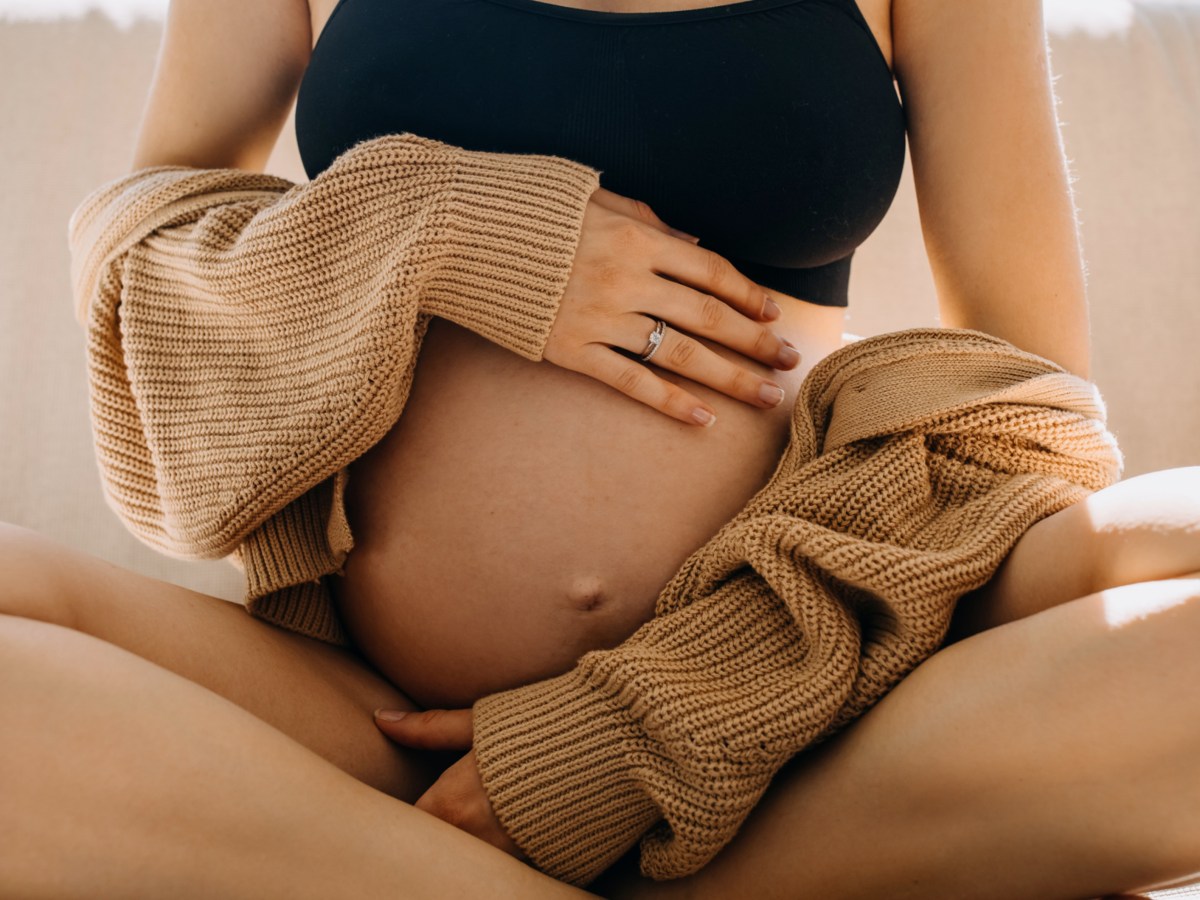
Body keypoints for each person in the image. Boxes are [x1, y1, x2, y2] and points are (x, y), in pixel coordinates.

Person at [2, 0, 1197, 897]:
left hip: (803, 687)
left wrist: (658, 720)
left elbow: (1026, 394)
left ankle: (428, 853)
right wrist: (444, 229)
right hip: (374, 715)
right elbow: (133, 259)